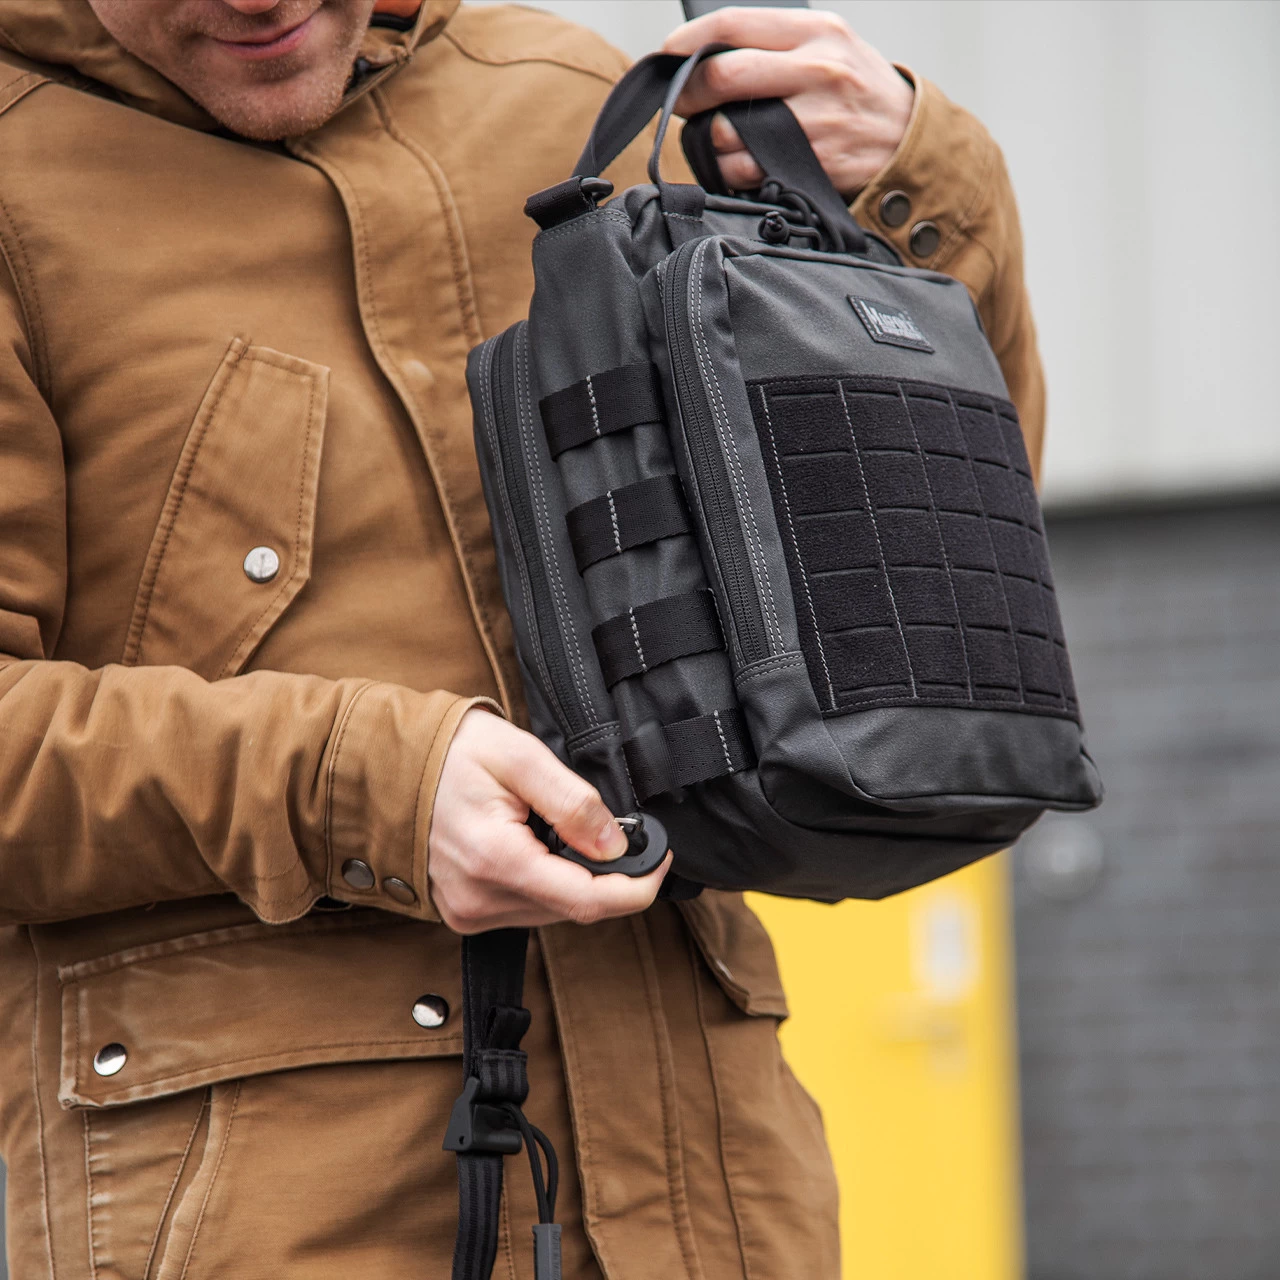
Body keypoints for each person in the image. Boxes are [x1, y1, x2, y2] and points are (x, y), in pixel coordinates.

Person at [0, 1, 1044, 1276]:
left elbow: (935, 593)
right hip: (274, 1218)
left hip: (719, 1199)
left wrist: (922, 192)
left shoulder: (571, 101)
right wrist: (364, 785)